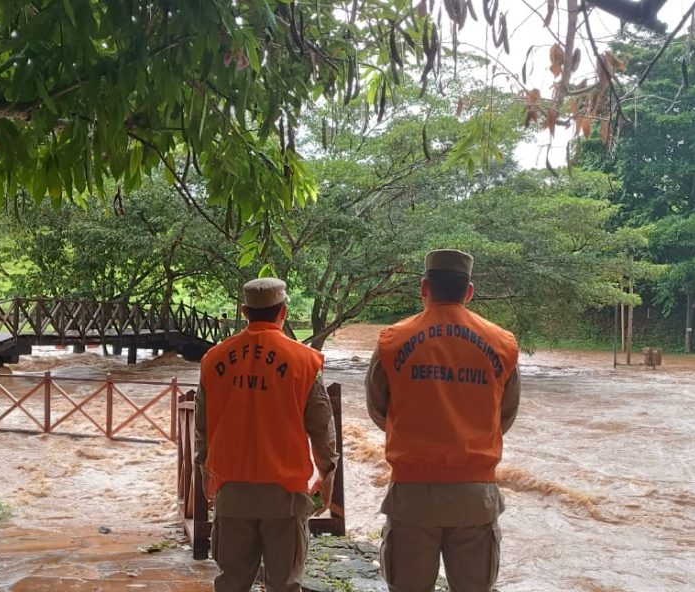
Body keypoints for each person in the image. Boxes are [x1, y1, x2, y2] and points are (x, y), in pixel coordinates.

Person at [365, 249, 521, 592]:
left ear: (425, 287)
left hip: (412, 495)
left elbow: (378, 408)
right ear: (468, 292)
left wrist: (412, 432)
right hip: (475, 496)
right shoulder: (502, 343)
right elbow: (505, 414)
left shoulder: (393, 341)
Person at [195, 278, 339, 592]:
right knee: (285, 584)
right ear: (283, 312)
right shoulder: (304, 360)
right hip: (285, 495)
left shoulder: (214, 358)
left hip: (232, 491)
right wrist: (327, 473)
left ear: (245, 312)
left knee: (231, 583)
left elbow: (202, 426)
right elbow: (321, 425)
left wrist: (204, 472)